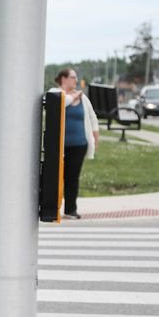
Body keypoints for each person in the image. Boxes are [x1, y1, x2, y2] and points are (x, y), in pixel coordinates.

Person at [52, 68, 99, 219]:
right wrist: (74, 96)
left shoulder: (83, 99)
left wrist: (95, 138)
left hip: (78, 145)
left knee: (73, 177)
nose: (76, 81)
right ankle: (51, 208)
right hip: (59, 145)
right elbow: (61, 103)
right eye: (73, 77)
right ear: (63, 79)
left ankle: (70, 210)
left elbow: (92, 118)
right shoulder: (55, 93)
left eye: (76, 78)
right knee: (55, 176)